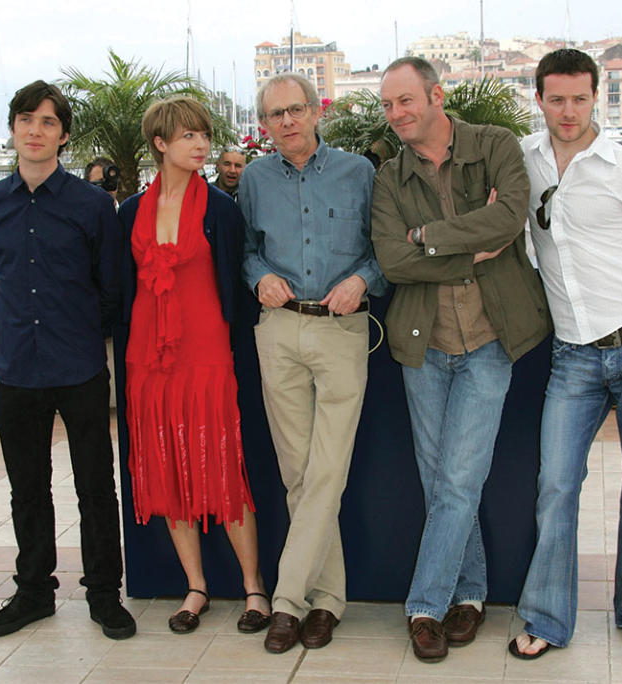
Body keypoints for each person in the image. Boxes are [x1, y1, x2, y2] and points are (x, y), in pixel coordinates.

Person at [509, 48, 622, 659]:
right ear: (538, 98)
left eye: (579, 99)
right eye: (556, 99)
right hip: (574, 359)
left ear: (596, 97)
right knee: (556, 485)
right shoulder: (523, 162)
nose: (568, 111)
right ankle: (545, 618)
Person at [371, 57, 552, 663]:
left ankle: (424, 606)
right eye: (388, 105)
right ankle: (470, 593)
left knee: (458, 479)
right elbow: (394, 262)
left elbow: (511, 215)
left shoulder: (494, 144)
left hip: (490, 340)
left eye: (405, 101)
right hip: (423, 345)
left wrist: (430, 236)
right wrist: (471, 250)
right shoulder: (390, 175)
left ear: (436, 95)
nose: (396, 114)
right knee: (440, 481)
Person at [0, 80, 135, 640]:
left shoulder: (92, 205)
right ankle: (35, 591)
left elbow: (109, 285)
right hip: (16, 366)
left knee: (95, 484)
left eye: (48, 122)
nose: (36, 131)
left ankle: (104, 595)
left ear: (63, 135)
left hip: (79, 366)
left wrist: (75, 330)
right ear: (13, 129)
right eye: (26, 120)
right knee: (27, 486)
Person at [239, 73, 386, 654]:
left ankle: (286, 599)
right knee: (298, 472)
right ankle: (326, 601)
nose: (287, 123)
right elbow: (247, 250)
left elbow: (382, 251)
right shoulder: (253, 178)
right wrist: (259, 278)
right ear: (265, 125)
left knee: (327, 469)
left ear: (316, 111)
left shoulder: (359, 173)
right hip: (279, 331)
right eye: (275, 115)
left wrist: (361, 280)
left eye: (295, 110)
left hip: (342, 329)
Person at [115, 96, 270, 635]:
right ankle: (195, 587)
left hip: (207, 355)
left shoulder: (221, 209)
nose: (201, 144)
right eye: (188, 136)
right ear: (160, 143)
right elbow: (119, 287)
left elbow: (239, 274)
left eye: (204, 135)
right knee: (167, 471)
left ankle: (254, 589)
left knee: (221, 468)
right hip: (148, 359)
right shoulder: (131, 211)